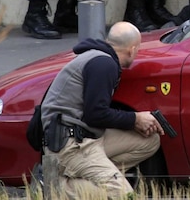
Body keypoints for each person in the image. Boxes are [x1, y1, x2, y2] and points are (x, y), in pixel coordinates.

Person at [39, 21, 164, 198]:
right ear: (132, 49)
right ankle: (58, 188)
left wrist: (134, 122)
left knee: (149, 140)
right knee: (124, 195)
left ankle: (92, 174)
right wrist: (135, 119)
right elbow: (95, 114)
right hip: (72, 145)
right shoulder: (104, 65)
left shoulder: (97, 58)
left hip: (87, 136)